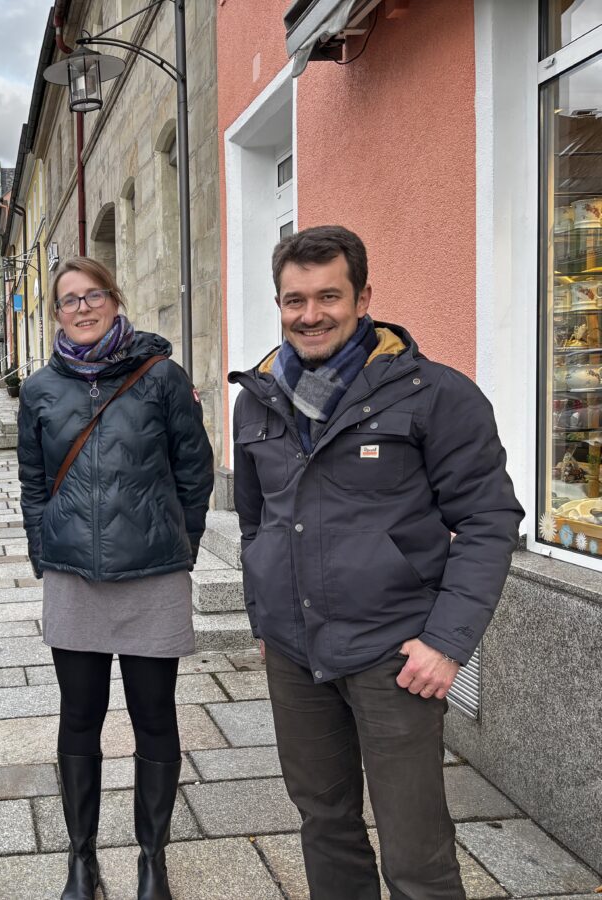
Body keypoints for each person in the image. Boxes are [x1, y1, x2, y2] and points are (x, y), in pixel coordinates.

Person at [229, 225, 523, 900]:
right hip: (295, 655)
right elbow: (256, 520)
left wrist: (447, 644)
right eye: (294, 299)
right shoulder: (258, 396)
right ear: (278, 303)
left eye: (328, 295)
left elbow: (488, 520)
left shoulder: (434, 395)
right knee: (324, 824)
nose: (310, 314)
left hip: (394, 657)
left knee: (415, 850)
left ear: (364, 297)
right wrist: (265, 618)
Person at [17, 256, 214, 900]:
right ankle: (82, 858)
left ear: (114, 298)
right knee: (80, 717)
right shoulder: (41, 389)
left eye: (92, 295)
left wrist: (180, 542)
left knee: (154, 716)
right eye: (68, 300)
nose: (81, 308)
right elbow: (32, 482)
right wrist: (44, 549)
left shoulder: (160, 377)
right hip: (74, 576)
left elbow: (194, 469)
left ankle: (151, 859)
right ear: (55, 314)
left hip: (153, 576)